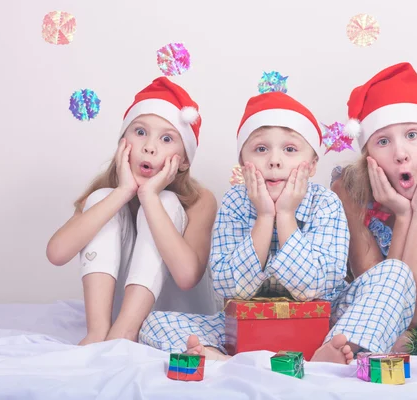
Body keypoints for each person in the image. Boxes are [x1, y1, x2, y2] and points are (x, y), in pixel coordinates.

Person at [140, 91, 356, 363]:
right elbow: (229, 288)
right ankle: (225, 358)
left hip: (320, 325)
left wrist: (286, 215)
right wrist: (265, 217)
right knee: (154, 323)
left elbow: (314, 289)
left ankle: (327, 351)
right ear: (243, 165)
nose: (274, 161)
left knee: (393, 275)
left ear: (312, 166)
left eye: (289, 150)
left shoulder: (326, 203)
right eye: (261, 149)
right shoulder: (235, 202)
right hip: (245, 328)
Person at [46, 77, 218, 345]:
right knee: (103, 198)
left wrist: (149, 196)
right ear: (122, 143)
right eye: (140, 132)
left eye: (166, 138)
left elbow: (187, 277)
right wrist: (123, 192)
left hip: (182, 317)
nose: (149, 146)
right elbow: (56, 253)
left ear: (183, 160)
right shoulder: (107, 192)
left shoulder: (200, 199)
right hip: (116, 321)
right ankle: (99, 331)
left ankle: (125, 329)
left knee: (165, 201)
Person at [331, 62, 417, 352]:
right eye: (383, 141)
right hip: (364, 327)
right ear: (368, 155)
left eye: (412, 135)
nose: (401, 153)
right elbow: (383, 306)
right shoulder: (348, 190)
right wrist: (404, 215)